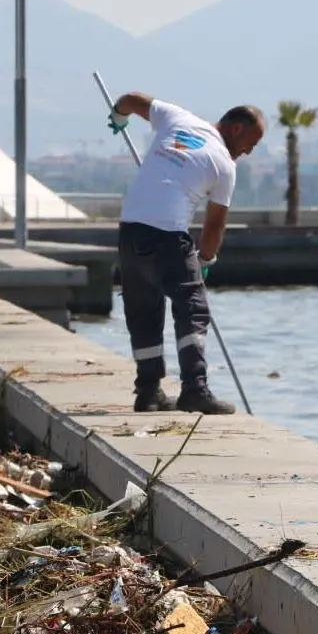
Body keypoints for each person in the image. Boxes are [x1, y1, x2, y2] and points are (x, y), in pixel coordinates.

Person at [108, 93, 265, 415]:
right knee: (192, 310)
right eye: (252, 142)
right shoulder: (224, 163)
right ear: (236, 129)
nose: (250, 151)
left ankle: (149, 393)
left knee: (144, 312)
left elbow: (131, 99)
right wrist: (206, 261)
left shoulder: (177, 117)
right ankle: (195, 389)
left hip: (130, 230)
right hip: (167, 234)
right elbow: (213, 227)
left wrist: (118, 115)